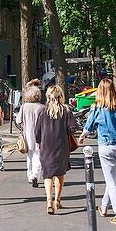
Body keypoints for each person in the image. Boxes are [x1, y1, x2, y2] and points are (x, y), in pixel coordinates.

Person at [79, 77, 116, 224]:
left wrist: (82, 136)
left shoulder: (97, 107)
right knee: (113, 181)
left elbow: (89, 126)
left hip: (105, 147)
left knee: (112, 182)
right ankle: (103, 207)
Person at [34, 84, 78, 215]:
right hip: (61, 146)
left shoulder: (43, 111)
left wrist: (39, 142)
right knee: (60, 173)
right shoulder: (66, 110)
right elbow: (73, 128)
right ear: (61, 96)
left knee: (47, 175)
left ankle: (49, 200)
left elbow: (37, 131)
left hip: (46, 146)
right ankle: (57, 200)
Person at [15, 83, 45, 187]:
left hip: (27, 134)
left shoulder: (24, 106)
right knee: (38, 155)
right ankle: (35, 176)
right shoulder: (42, 107)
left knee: (29, 156)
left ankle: (30, 175)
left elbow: (18, 120)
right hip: (40, 134)